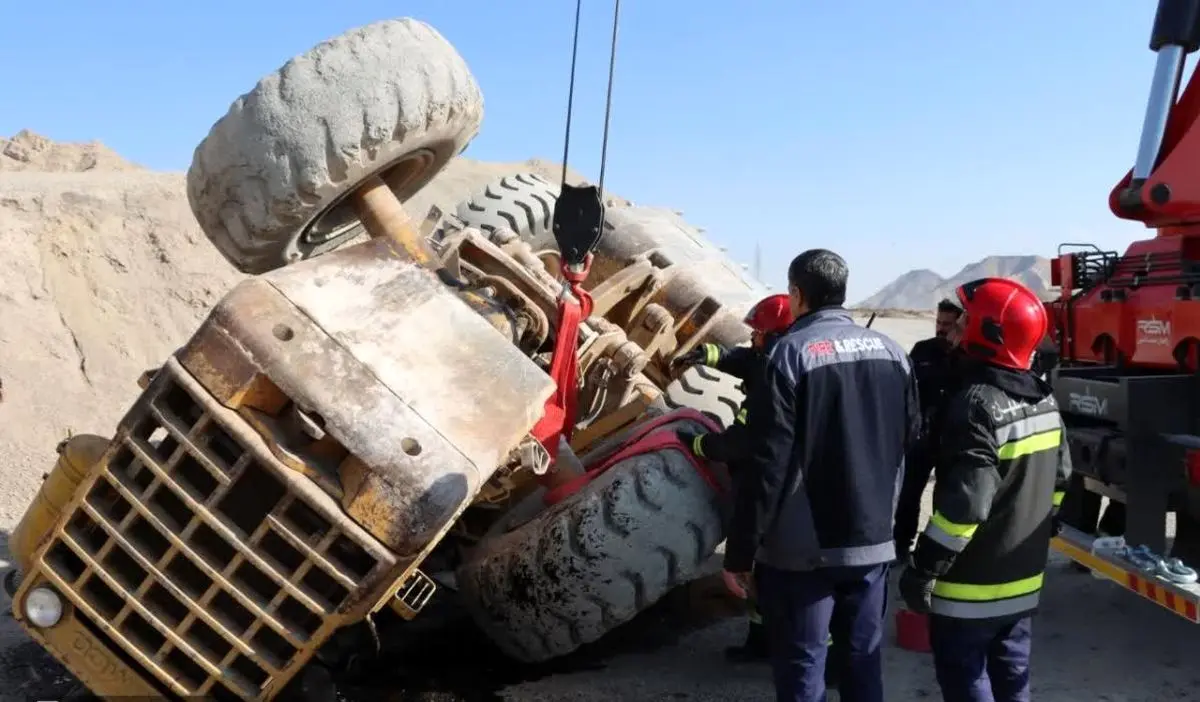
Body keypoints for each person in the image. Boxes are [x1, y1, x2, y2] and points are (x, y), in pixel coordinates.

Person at [722, 249, 920, 702]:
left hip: (804, 550)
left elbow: (768, 464)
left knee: (802, 664)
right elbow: (911, 439)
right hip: (871, 543)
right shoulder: (894, 352)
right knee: (862, 661)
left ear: (796, 293)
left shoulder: (790, 355)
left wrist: (739, 553)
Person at [898, 277, 1072, 702]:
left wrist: (924, 568)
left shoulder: (976, 404)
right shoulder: (1044, 398)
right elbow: (1061, 477)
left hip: (968, 590)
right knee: (1013, 678)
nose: (953, 331)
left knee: (967, 682)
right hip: (1023, 580)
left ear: (987, 334)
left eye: (964, 322)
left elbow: (966, 506)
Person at [671, 293, 795, 665]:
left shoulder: (776, 383)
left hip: (772, 490)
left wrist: (696, 443)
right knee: (763, 571)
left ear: (775, 336)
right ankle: (760, 642)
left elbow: (738, 444)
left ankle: (799, 653)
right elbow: (745, 360)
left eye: (758, 333)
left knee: (770, 569)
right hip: (774, 487)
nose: (752, 339)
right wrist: (709, 355)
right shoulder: (774, 359)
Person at [893, 298, 965, 562]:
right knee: (908, 495)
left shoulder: (968, 357)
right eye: (938, 322)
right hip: (920, 438)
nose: (941, 329)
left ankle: (938, 553)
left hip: (952, 440)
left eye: (948, 324)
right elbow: (906, 390)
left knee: (945, 499)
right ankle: (901, 546)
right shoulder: (922, 351)